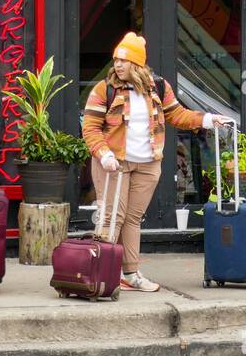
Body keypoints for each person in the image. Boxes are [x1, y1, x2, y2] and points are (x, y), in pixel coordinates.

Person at [82, 32, 232, 292]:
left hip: (148, 163)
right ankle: (102, 275)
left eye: (124, 60)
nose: (117, 64)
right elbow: (91, 127)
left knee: (132, 218)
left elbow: (177, 114)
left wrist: (207, 119)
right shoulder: (103, 89)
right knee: (111, 218)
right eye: (116, 59)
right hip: (114, 163)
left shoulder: (158, 87)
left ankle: (130, 273)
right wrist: (103, 154)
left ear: (137, 63)